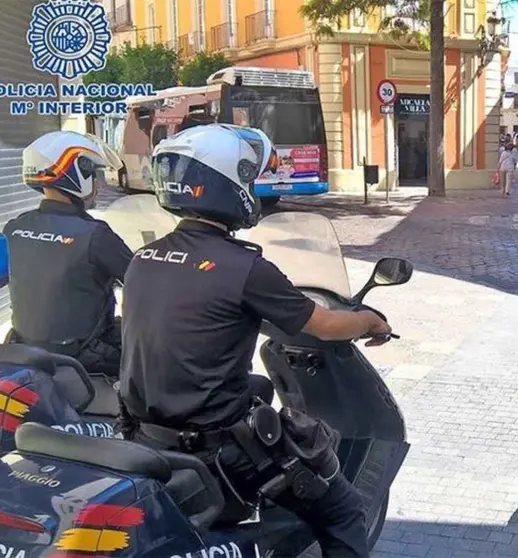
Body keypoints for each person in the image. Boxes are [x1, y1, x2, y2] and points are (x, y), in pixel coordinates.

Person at [118, 124, 392, 557]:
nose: (252, 185)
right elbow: (321, 324)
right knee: (342, 509)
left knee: (259, 389)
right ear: (224, 182)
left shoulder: (143, 258)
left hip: (147, 437)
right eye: (246, 175)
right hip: (220, 452)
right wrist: (368, 319)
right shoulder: (244, 267)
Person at [1, 131, 132, 378]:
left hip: (22, 350)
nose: (98, 183)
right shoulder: (96, 235)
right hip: (82, 356)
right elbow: (141, 281)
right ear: (77, 173)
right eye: (93, 174)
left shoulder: (13, 227)